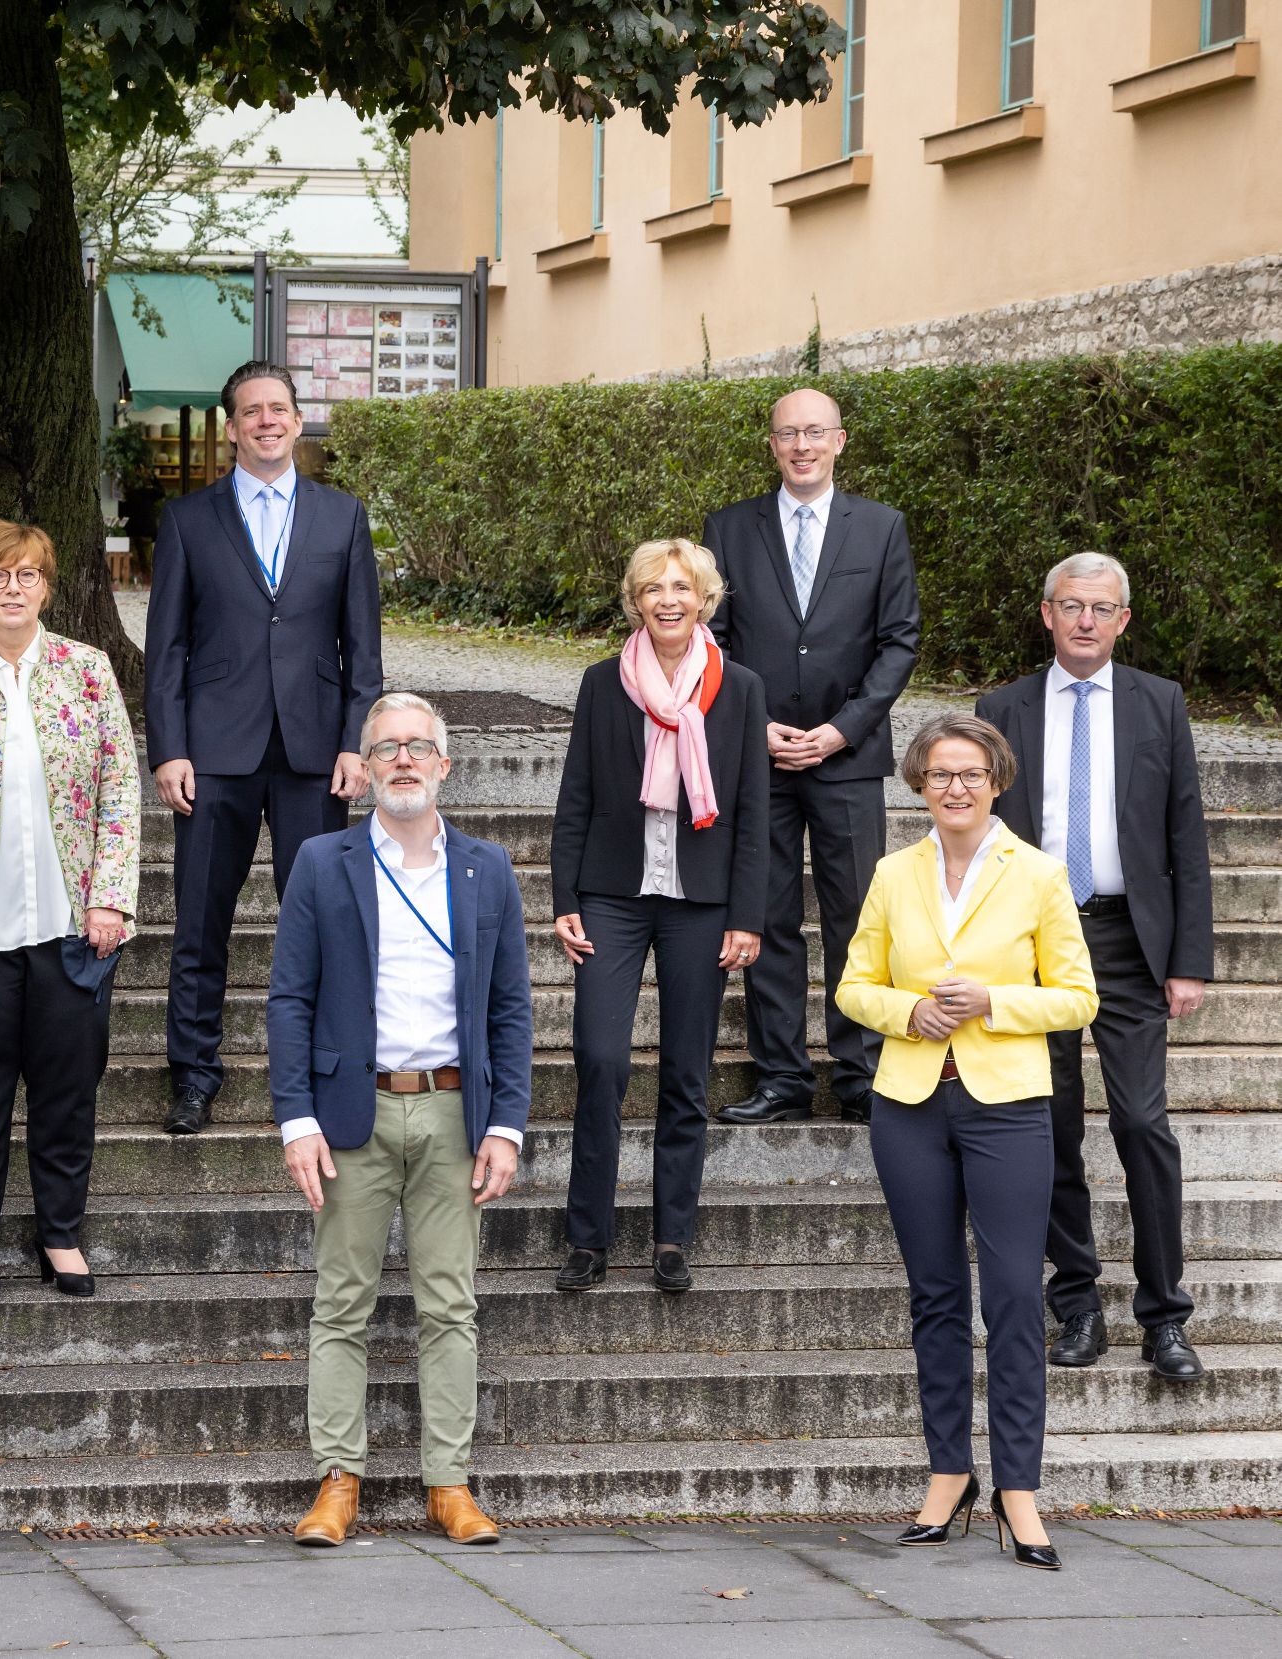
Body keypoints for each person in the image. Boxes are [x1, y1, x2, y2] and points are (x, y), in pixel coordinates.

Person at [266, 693, 531, 1548]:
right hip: (353, 1113)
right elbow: (289, 998)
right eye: (388, 748)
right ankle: (338, 1479)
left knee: (449, 1306)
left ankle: (448, 1482)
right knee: (340, 1302)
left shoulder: (487, 869)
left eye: (420, 747)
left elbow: (512, 1009)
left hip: (457, 1111)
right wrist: (296, 1118)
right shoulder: (321, 860)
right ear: (365, 768)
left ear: (445, 766)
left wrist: (508, 1125)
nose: (405, 760)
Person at [836, 712, 1097, 1570]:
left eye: (971, 773)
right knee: (936, 1294)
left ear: (997, 781)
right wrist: (905, 1009)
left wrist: (993, 1000)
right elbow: (852, 986)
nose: (956, 786)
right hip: (910, 1102)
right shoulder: (891, 872)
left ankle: (1018, 1488)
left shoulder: (1040, 874)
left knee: (1016, 1295)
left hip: (1008, 1107)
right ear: (919, 783)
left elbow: (1077, 997)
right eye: (940, 773)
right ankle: (949, 1473)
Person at [975, 552, 1212, 1382]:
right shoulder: (1001, 707)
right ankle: (1076, 1300)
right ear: (1046, 613)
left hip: (1128, 942)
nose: (1084, 620)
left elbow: (1186, 834)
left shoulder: (1160, 704)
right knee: (1052, 1126)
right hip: (1034, 941)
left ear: (1122, 619)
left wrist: (1188, 960)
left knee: (1143, 1123)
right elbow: (980, 836)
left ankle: (1166, 1316)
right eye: (1070, 605)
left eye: (1100, 607)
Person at [146, 359, 383, 1136]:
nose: (267, 421)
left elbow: (363, 648)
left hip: (317, 750)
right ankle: (193, 1073)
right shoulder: (188, 520)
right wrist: (168, 749)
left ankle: (325, 1067)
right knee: (199, 920)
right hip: (213, 750)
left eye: (279, 408)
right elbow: (167, 649)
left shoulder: (342, 516)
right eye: (252, 411)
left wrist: (359, 743)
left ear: (297, 417)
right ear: (232, 426)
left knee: (322, 915)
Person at [0, 519, 141, 1298]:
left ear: (48, 585)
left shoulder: (88, 671)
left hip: (74, 927)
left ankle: (61, 1232)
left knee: (67, 1090)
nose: (14, 588)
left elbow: (120, 790)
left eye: (29, 574)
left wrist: (111, 896)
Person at [550, 540, 770, 1295]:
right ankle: (588, 1238)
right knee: (601, 1059)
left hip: (702, 901)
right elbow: (575, 794)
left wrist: (748, 913)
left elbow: (750, 811)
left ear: (704, 598)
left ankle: (673, 1235)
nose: (668, 599)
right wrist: (564, 900)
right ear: (635, 600)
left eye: (682, 587)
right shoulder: (602, 683)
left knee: (685, 1069)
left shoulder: (739, 687)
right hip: (612, 892)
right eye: (653, 587)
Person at [707, 388, 920, 1127]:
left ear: (840, 441)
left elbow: (900, 641)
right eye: (788, 433)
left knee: (857, 918)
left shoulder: (882, 528)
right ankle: (781, 1078)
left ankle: (861, 1075)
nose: (801, 444)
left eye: (815, 432)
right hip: (757, 756)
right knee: (763, 916)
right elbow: (715, 641)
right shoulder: (729, 528)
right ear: (771, 444)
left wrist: (842, 728)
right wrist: (753, 723)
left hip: (848, 757)